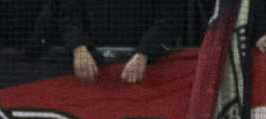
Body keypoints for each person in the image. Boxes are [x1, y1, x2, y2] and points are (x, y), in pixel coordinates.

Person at [54, 0, 183, 84]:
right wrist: (78, 48)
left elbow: (171, 19)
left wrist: (144, 52)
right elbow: (68, 16)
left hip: (147, 75)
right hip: (92, 74)